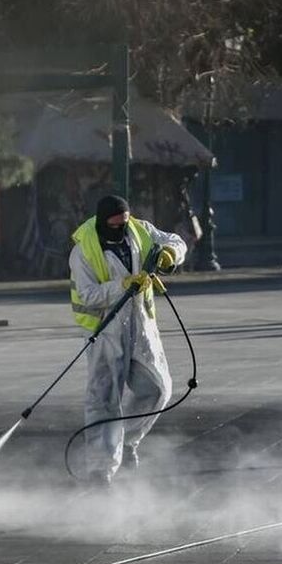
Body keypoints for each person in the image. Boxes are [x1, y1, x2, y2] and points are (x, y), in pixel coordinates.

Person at [69, 195, 186, 485]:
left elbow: (176, 241)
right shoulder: (84, 251)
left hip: (140, 327)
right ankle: (100, 469)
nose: (122, 230)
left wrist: (169, 254)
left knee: (158, 389)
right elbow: (87, 294)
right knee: (104, 400)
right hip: (105, 331)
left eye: (125, 223)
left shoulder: (140, 229)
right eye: (115, 225)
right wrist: (120, 285)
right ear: (102, 223)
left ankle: (128, 440)